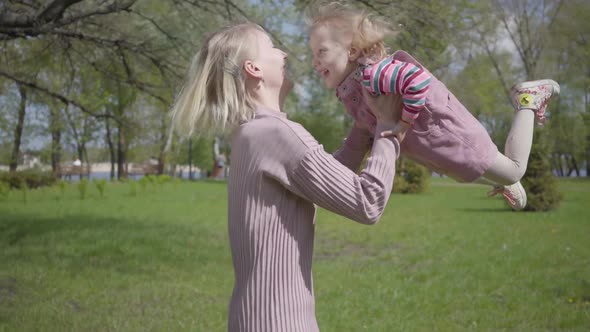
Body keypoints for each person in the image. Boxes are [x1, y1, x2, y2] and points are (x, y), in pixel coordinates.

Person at [169, 22, 403, 331]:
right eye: (271, 47)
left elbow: (322, 178)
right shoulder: (277, 133)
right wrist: (389, 126)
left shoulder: (251, 133)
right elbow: (367, 202)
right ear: (253, 69)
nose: (284, 53)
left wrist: (362, 129)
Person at [306, 1, 560, 210]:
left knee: (514, 170)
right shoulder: (352, 89)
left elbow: (418, 80)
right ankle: (504, 182)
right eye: (312, 54)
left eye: (322, 52)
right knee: (461, 174)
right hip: (430, 146)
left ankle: (527, 99)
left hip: (450, 133)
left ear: (351, 51)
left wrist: (404, 123)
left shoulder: (374, 74)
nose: (315, 62)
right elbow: (361, 134)